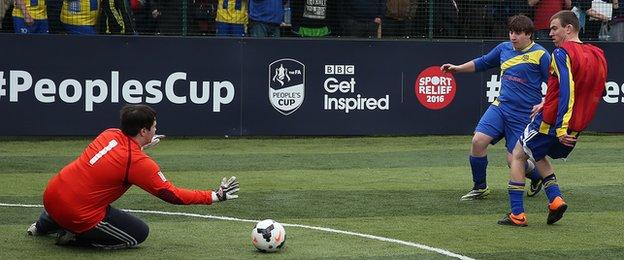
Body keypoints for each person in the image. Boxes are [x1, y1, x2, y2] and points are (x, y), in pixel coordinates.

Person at [26, 104, 240, 249]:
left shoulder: (108, 134)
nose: (156, 129)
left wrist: (142, 147)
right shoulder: (138, 162)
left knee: (74, 195)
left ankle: (41, 226)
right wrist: (215, 196)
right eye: (154, 126)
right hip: (79, 213)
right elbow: (171, 195)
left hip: (51, 196)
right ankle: (74, 237)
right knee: (138, 234)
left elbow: (117, 160)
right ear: (144, 131)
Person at [498, 10, 608, 226]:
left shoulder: (562, 53)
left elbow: (567, 89)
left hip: (554, 123)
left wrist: (560, 127)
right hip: (575, 127)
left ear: (568, 29)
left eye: (554, 28)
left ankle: (517, 214)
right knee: (538, 155)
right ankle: (555, 200)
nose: (549, 33)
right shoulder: (597, 53)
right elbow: (598, 90)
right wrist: (548, 103)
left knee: (518, 155)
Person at [441, 14, 549, 201]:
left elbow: (555, 83)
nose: (513, 37)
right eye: (511, 32)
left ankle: (537, 176)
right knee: (478, 141)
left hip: (523, 115)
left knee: (512, 160)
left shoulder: (541, 55)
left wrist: (545, 102)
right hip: (500, 107)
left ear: (529, 34)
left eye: (518, 33)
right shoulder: (504, 48)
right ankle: (480, 187)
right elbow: (482, 62)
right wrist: (457, 68)